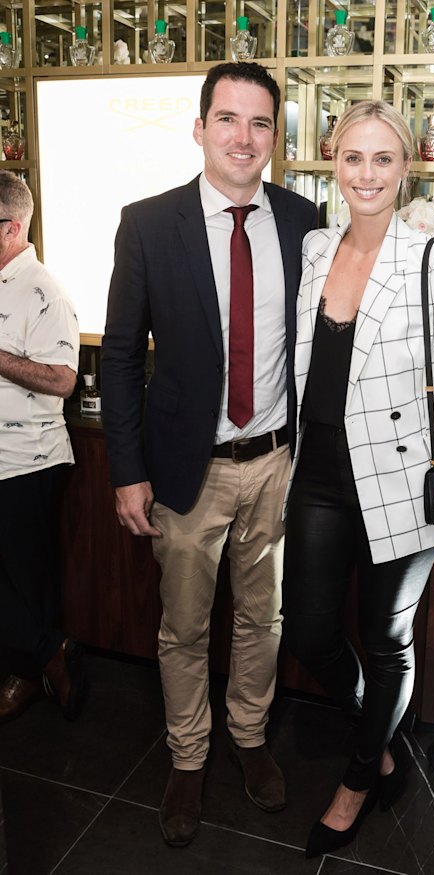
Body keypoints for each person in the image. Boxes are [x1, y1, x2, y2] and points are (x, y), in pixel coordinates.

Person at [100, 62, 317, 848]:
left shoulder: (304, 221)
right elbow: (120, 354)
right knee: (184, 624)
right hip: (188, 467)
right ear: (200, 128)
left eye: (260, 123)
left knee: (264, 615)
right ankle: (188, 754)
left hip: (276, 463)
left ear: (275, 136)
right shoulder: (148, 223)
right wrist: (128, 469)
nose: (243, 137)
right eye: (228, 118)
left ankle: (249, 735)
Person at [282, 101, 434, 858]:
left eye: (383, 159)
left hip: (406, 479)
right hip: (319, 471)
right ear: (333, 162)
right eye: (353, 157)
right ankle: (378, 743)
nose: (367, 174)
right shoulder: (316, 246)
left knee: (385, 640)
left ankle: (357, 780)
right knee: (309, 630)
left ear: (407, 168)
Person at [0, 170, 84, 724]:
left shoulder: (44, 290)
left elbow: (62, 379)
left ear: (11, 228)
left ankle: (34, 668)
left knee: (26, 578)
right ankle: (46, 653)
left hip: (25, 460)